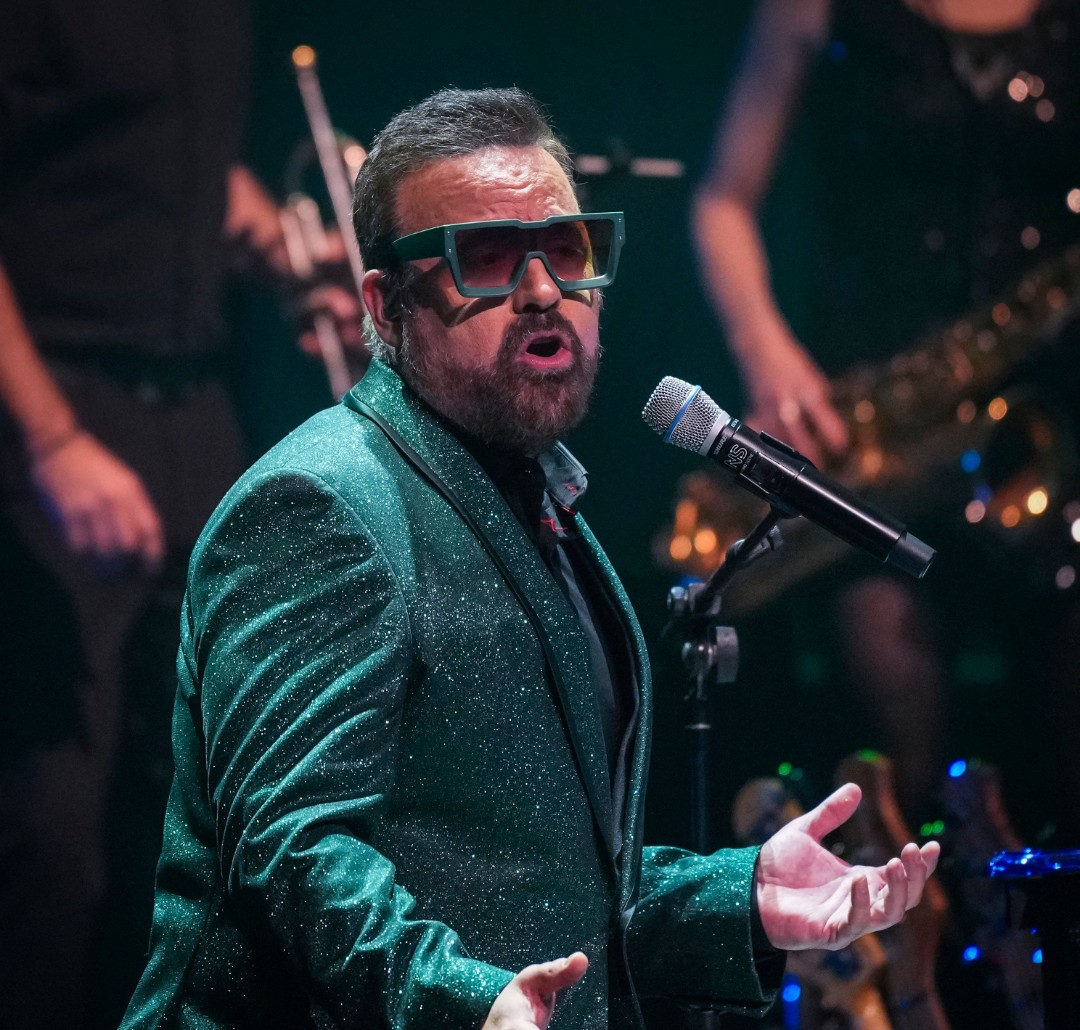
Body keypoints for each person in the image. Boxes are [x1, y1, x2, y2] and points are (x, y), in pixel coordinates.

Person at [120, 87, 939, 1030]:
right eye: (490, 259)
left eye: (569, 250)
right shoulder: (321, 505)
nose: (546, 290)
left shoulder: (534, 496)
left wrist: (741, 899)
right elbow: (294, 856)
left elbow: (538, 885)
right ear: (387, 306)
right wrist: (469, 1002)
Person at [0, 2, 361, 1026]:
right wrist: (53, 443)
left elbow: (168, 163)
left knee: (197, 817)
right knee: (51, 835)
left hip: (191, 407)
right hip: (52, 402)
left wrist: (285, 255)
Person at [693, 0, 1080, 822]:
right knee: (897, 761)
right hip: (875, 435)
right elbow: (722, 199)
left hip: (1054, 422)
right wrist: (767, 354)